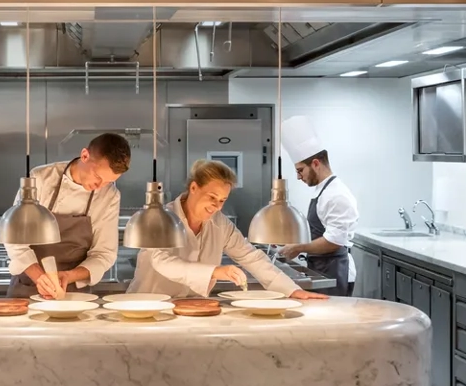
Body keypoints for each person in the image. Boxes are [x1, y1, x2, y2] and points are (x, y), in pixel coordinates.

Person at [130, 159, 329, 300]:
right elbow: (163, 262)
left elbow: (251, 257)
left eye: (222, 200)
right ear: (193, 188)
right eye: (212, 197)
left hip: (191, 309)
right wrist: (215, 271)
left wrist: (292, 290)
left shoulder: (220, 223)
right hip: (148, 306)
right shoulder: (161, 218)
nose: (216, 206)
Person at [5, 132, 132, 300]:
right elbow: (16, 241)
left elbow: (104, 253)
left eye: (108, 182)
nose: (100, 187)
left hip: (73, 293)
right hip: (27, 287)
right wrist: (40, 278)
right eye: (98, 177)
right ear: (85, 155)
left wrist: (68, 276)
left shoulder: (109, 196)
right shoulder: (40, 179)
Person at [276, 115, 359, 296]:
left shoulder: (337, 195)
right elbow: (319, 231)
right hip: (322, 268)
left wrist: (298, 248)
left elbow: (333, 241)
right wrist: (293, 242)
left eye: (300, 170)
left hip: (336, 271)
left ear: (315, 164)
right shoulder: (323, 191)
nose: (299, 177)